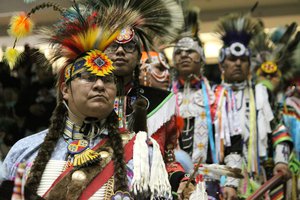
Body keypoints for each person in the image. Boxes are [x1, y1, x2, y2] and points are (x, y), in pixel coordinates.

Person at [1, 1, 184, 199]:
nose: (99, 85)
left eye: (107, 79)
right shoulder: (24, 151)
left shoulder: (142, 154)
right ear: (65, 89)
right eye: (88, 77)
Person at [216, 12, 293, 198]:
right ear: (222, 65)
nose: (237, 63)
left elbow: (279, 131)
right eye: (232, 60)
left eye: (243, 60)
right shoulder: (214, 97)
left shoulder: (262, 94)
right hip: (221, 180)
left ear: (249, 65)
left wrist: (281, 161)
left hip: (260, 178)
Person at [171, 9, 243, 200]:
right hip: (172, 182)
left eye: (190, 51)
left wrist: (231, 183)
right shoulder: (166, 97)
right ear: (174, 60)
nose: (184, 55)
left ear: (201, 58)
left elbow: (234, 143)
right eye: (179, 52)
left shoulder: (219, 96)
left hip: (210, 184)